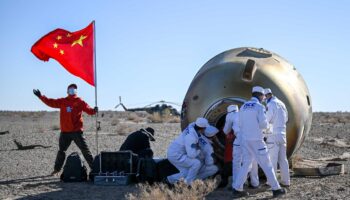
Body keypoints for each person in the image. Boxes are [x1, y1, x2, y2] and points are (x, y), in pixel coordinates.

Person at [232, 86, 285, 198]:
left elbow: (240, 124)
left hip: (245, 141)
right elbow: (264, 124)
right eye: (263, 96)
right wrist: (267, 128)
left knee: (246, 164)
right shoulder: (259, 107)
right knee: (267, 164)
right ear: (260, 96)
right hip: (257, 141)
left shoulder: (243, 107)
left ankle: (237, 188)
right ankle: (276, 189)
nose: (263, 98)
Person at [33, 84, 98, 176]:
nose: (72, 90)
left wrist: (94, 110)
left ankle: (94, 169)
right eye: (70, 89)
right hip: (65, 132)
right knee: (61, 151)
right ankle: (56, 169)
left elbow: (89, 110)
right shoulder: (63, 101)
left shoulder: (79, 101)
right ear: (67, 91)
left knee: (85, 150)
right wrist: (40, 96)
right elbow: (50, 102)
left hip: (77, 131)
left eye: (74, 89)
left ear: (76, 91)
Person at [222, 105, 259, 189]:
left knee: (237, 162)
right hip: (251, 138)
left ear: (229, 111)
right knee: (252, 161)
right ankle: (255, 183)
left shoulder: (230, 115)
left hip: (239, 139)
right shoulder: (244, 113)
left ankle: (236, 183)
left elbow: (225, 131)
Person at [165, 117, 209, 185]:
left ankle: (168, 180)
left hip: (173, 152)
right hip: (176, 155)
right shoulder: (191, 137)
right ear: (202, 129)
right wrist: (199, 149)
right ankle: (187, 184)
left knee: (187, 172)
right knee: (196, 163)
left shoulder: (192, 126)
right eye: (205, 128)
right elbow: (191, 155)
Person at [265, 88, 290, 187]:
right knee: (283, 159)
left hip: (273, 135)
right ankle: (286, 181)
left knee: (272, 159)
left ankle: (272, 182)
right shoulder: (282, 104)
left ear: (267, 96)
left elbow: (266, 119)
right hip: (283, 134)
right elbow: (287, 118)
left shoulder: (270, 105)